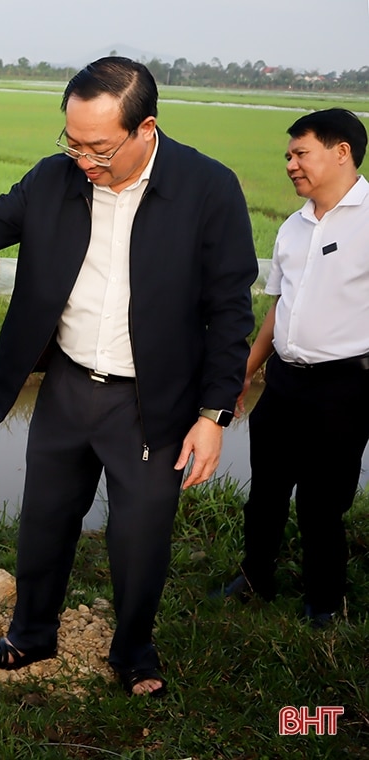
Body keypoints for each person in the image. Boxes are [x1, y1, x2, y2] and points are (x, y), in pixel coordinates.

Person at [0, 57, 256, 696]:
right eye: (71, 142)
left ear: (145, 129)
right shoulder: (56, 179)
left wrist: (213, 416)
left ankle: (134, 651)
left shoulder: (207, 188)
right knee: (45, 517)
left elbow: (230, 309)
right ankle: (32, 632)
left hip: (153, 401)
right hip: (70, 384)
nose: (82, 158)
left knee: (140, 535)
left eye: (97, 147)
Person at [216, 109, 369, 629]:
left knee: (323, 502)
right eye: (288, 155)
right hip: (284, 381)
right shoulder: (293, 227)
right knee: (266, 491)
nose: (290, 164)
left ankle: (323, 602)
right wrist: (244, 373)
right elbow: (279, 310)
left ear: (341, 151)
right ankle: (255, 577)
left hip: (345, 385)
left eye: (300, 153)